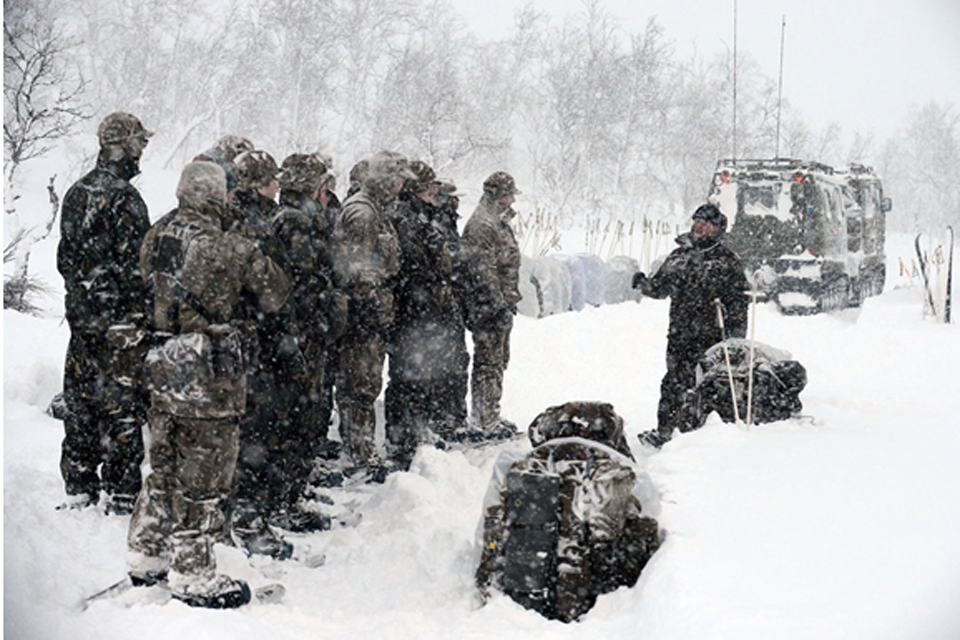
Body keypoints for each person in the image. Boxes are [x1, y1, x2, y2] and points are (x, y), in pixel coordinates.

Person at [127, 161, 290, 608]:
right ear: (218, 196)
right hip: (208, 375)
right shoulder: (226, 246)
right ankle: (193, 572)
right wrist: (250, 245)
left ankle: (147, 551)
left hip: (164, 365)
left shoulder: (156, 234)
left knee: (162, 466)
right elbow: (274, 293)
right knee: (205, 476)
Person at [475, 402, 661, 622]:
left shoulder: (515, 464)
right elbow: (652, 517)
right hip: (601, 591)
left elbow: (487, 530)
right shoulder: (625, 469)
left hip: (521, 584)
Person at [56, 112, 153, 514]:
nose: (141, 153)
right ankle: (122, 491)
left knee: (80, 404)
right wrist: (137, 311)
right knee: (122, 409)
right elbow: (138, 268)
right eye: (139, 145)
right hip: (120, 328)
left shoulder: (77, 192)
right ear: (125, 145)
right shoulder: (126, 199)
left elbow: (66, 260)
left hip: (83, 322)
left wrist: (84, 302)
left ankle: (79, 485)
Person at [632, 203, 749, 448]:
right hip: (680, 333)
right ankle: (666, 432)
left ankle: (702, 435)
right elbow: (660, 287)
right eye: (697, 221)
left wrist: (736, 339)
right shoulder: (679, 256)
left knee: (710, 384)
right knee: (673, 382)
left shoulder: (726, 261)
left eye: (706, 224)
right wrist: (644, 284)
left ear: (718, 229)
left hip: (712, 336)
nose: (700, 227)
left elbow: (739, 302)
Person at [333, 150, 415, 480]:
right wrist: (366, 309)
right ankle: (358, 454)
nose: (400, 186)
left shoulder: (377, 211)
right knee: (358, 386)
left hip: (372, 313)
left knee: (366, 384)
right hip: (360, 315)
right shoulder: (362, 213)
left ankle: (361, 449)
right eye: (396, 179)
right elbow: (356, 268)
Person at [384, 161, 463, 469]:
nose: (434, 192)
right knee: (407, 379)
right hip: (411, 314)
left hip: (424, 313)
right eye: (428, 187)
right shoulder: (405, 219)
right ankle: (402, 442)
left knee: (422, 378)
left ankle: (416, 435)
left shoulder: (422, 217)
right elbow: (412, 267)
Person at [459, 171, 523, 441]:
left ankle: (491, 413)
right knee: (488, 361)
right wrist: (496, 305)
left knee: (497, 361)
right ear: (497, 195)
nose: (512, 200)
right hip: (487, 307)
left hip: (499, 304)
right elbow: (481, 271)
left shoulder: (497, 222)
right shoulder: (482, 225)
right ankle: (484, 418)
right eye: (508, 195)